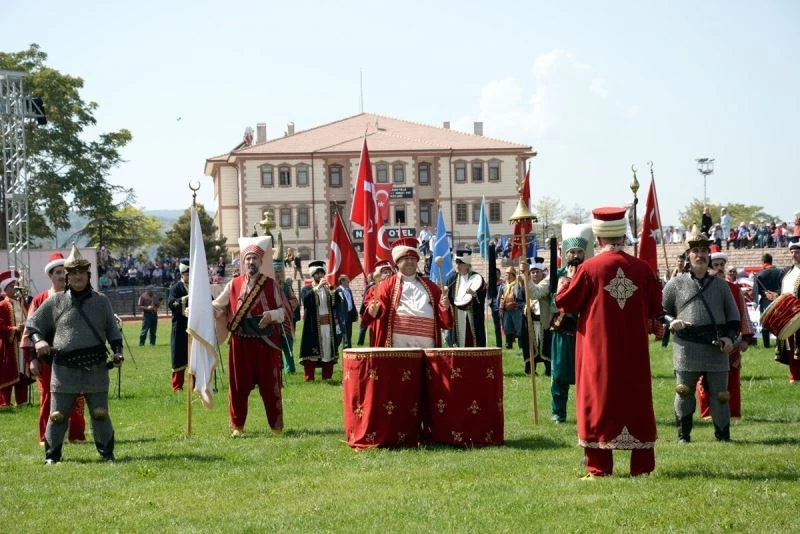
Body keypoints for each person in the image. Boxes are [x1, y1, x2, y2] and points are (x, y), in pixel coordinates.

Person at [556, 207, 662, 477]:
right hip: (634, 349)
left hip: (597, 349)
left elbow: (567, 302)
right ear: (623, 235)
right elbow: (655, 306)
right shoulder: (642, 268)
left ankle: (599, 467)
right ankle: (643, 467)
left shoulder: (589, 267)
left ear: (599, 238)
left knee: (598, 399)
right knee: (635, 399)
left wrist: (564, 282)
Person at [25, 244, 123, 464]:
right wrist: (39, 341)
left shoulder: (101, 301)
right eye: (73, 273)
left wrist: (117, 353)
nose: (77, 277)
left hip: (95, 365)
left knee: (100, 412)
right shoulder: (55, 302)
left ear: (88, 275)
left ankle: (106, 453)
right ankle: (52, 456)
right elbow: (32, 326)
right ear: (67, 277)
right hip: (64, 367)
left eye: (81, 273)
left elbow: (113, 332)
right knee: (57, 415)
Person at [663, 235, 740, 443]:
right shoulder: (676, 284)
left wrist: (730, 339)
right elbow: (660, 311)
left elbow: (734, 318)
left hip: (715, 347)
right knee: (684, 391)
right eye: (695, 252)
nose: (700, 255)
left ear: (709, 255)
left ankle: (723, 437)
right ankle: (683, 436)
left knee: (720, 395)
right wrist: (672, 321)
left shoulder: (721, 285)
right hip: (686, 346)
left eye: (704, 251)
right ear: (689, 256)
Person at [212, 236, 288, 437]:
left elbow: (284, 312)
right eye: (248, 259)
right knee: (237, 387)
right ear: (243, 262)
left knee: (270, 387)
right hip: (240, 343)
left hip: (265, 342)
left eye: (254, 259)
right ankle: (238, 426)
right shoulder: (233, 284)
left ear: (261, 262)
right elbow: (217, 306)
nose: (251, 262)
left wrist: (271, 315)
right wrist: (198, 310)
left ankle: (276, 427)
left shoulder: (271, 284)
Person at [22, 253, 86, 445]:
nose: (62, 276)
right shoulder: (40, 299)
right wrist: (32, 359)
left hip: (74, 357)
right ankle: (46, 437)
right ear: (50, 275)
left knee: (77, 394)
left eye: (65, 272)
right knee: (48, 396)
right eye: (58, 272)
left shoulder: (78, 297)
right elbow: (30, 331)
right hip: (46, 359)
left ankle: (76, 435)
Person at [361, 237, 453, 348]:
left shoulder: (431, 286)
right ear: (397, 262)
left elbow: (444, 318)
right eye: (406, 258)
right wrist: (373, 309)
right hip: (398, 347)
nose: (410, 261)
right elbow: (377, 306)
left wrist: (444, 306)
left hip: (427, 346)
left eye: (413, 258)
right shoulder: (386, 286)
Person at [697, 252, 754, 419]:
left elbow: (744, 314)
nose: (720, 268)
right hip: (706, 342)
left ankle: (733, 413)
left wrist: (745, 337)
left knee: (732, 380)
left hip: (732, 343)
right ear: (709, 268)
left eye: (722, 264)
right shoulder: (700, 288)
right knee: (705, 378)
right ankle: (708, 413)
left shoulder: (734, 289)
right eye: (716, 265)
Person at [549, 223, 593, 424]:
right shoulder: (557, 275)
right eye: (572, 252)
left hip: (585, 330)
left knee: (587, 375)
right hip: (562, 329)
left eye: (578, 252)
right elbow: (548, 298)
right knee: (559, 373)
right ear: (565, 254)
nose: (575, 255)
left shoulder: (591, 275)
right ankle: (559, 413)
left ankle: (587, 413)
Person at [299, 261, 340, 381]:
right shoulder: (307, 289)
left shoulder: (328, 289)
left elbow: (335, 303)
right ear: (313, 275)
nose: (321, 275)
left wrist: (334, 292)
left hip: (328, 324)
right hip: (313, 325)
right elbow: (306, 302)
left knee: (327, 349)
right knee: (312, 350)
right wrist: (317, 288)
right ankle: (309, 377)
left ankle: (327, 376)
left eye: (322, 273)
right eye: (318, 273)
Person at [769, 242, 800, 381]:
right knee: (790, 346)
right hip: (788, 314)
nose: (794, 255)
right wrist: (775, 296)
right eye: (792, 252)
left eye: (797, 252)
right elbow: (783, 291)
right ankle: (794, 375)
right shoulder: (787, 271)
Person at [446, 250, 486, 347]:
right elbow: (449, 299)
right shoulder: (452, 279)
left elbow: (482, 297)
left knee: (472, 338)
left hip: (472, 314)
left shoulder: (477, 278)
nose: (458, 266)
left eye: (461, 264)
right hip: (457, 314)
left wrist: (475, 295)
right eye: (457, 263)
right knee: (459, 340)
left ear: (468, 265)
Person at [0, 270, 28, 407]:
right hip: (9, 345)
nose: (15, 290)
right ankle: (5, 402)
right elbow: (1, 326)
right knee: (8, 373)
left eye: (16, 286)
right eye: (11, 287)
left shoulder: (21, 303)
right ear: (5, 289)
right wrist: (15, 330)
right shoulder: (2, 305)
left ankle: (21, 400)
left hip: (21, 343)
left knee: (22, 373)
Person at [520, 259, 552, 376]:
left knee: (546, 344)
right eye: (532, 272)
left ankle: (548, 368)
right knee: (530, 345)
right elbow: (519, 301)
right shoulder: (524, 288)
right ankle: (530, 368)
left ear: (542, 273)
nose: (535, 274)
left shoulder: (547, 286)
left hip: (544, 319)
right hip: (530, 321)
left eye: (537, 272)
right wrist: (525, 307)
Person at [358, 261, 394, 347]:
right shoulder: (374, 288)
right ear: (379, 275)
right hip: (379, 320)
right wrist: (372, 306)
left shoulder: (396, 287)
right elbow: (367, 301)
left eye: (389, 272)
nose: (388, 274)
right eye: (385, 272)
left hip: (394, 320)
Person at [167, 260, 190, 391]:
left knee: (195, 356)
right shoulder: (176, 288)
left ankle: (197, 385)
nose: (189, 276)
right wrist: (186, 298)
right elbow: (172, 303)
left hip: (195, 326)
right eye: (186, 274)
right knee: (178, 355)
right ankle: (177, 386)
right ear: (182, 274)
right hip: (180, 326)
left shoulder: (197, 285)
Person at [273, 260, 298, 374]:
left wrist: (285, 308)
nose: (277, 273)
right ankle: (276, 368)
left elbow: (294, 301)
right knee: (274, 347)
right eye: (275, 271)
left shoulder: (286, 286)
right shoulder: (268, 285)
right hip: (273, 320)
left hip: (286, 320)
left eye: (279, 271)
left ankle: (290, 369)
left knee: (288, 346)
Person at [753, 252, 783, 348]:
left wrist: (755, 302)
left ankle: (766, 345)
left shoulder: (759, 274)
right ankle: (780, 344)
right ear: (771, 261)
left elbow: (756, 290)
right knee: (779, 322)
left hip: (765, 300)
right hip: (779, 299)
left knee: (765, 323)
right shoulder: (781, 272)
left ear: (763, 261)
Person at [499, 267, 524, 349]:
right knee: (507, 327)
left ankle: (521, 345)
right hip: (507, 310)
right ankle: (508, 344)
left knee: (519, 327)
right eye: (507, 275)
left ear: (514, 276)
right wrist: (501, 307)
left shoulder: (518, 285)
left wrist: (515, 304)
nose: (508, 277)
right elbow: (501, 297)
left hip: (516, 309)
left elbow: (521, 297)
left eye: (510, 275)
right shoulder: (503, 286)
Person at [334, 274, 357, 350]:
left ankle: (348, 350)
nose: (349, 282)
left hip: (349, 315)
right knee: (342, 335)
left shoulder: (349, 290)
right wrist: (336, 318)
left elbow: (351, 302)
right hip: (341, 316)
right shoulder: (337, 291)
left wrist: (355, 313)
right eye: (347, 280)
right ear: (342, 281)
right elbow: (335, 306)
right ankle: (335, 349)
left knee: (348, 334)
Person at [489, 267, 503, 348]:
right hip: (494, 309)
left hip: (502, 308)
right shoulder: (491, 284)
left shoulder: (502, 284)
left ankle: (509, 343)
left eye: (497, 273)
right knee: (497, 328)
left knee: (505, 326)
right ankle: (499, 345)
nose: (496, 275)